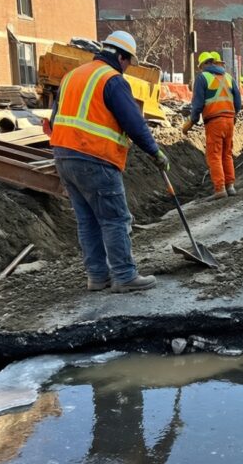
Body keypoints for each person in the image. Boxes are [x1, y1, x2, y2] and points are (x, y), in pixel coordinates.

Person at [51, 30, 170, 293]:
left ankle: (97, 276)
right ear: (120, 56)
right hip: (95, 158)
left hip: (63, 156)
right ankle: (124, 275)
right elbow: (134, 123)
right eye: (128, 62)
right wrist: (155, 152)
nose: (127, 68)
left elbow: (54, 117)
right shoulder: (112, 80)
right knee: (115, 219)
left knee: (88, 221)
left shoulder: (72, 76)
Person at [182, 51, 243, 198]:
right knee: (227, 154)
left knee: (214, 155)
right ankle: (230, 186)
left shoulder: (202, 78)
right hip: (229, 120)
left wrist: (192, 121)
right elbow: (238, 102)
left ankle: (220, 189)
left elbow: (197, 104)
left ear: (203, 64)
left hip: (215, 121)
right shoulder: (228, 77)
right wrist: (233, 115)